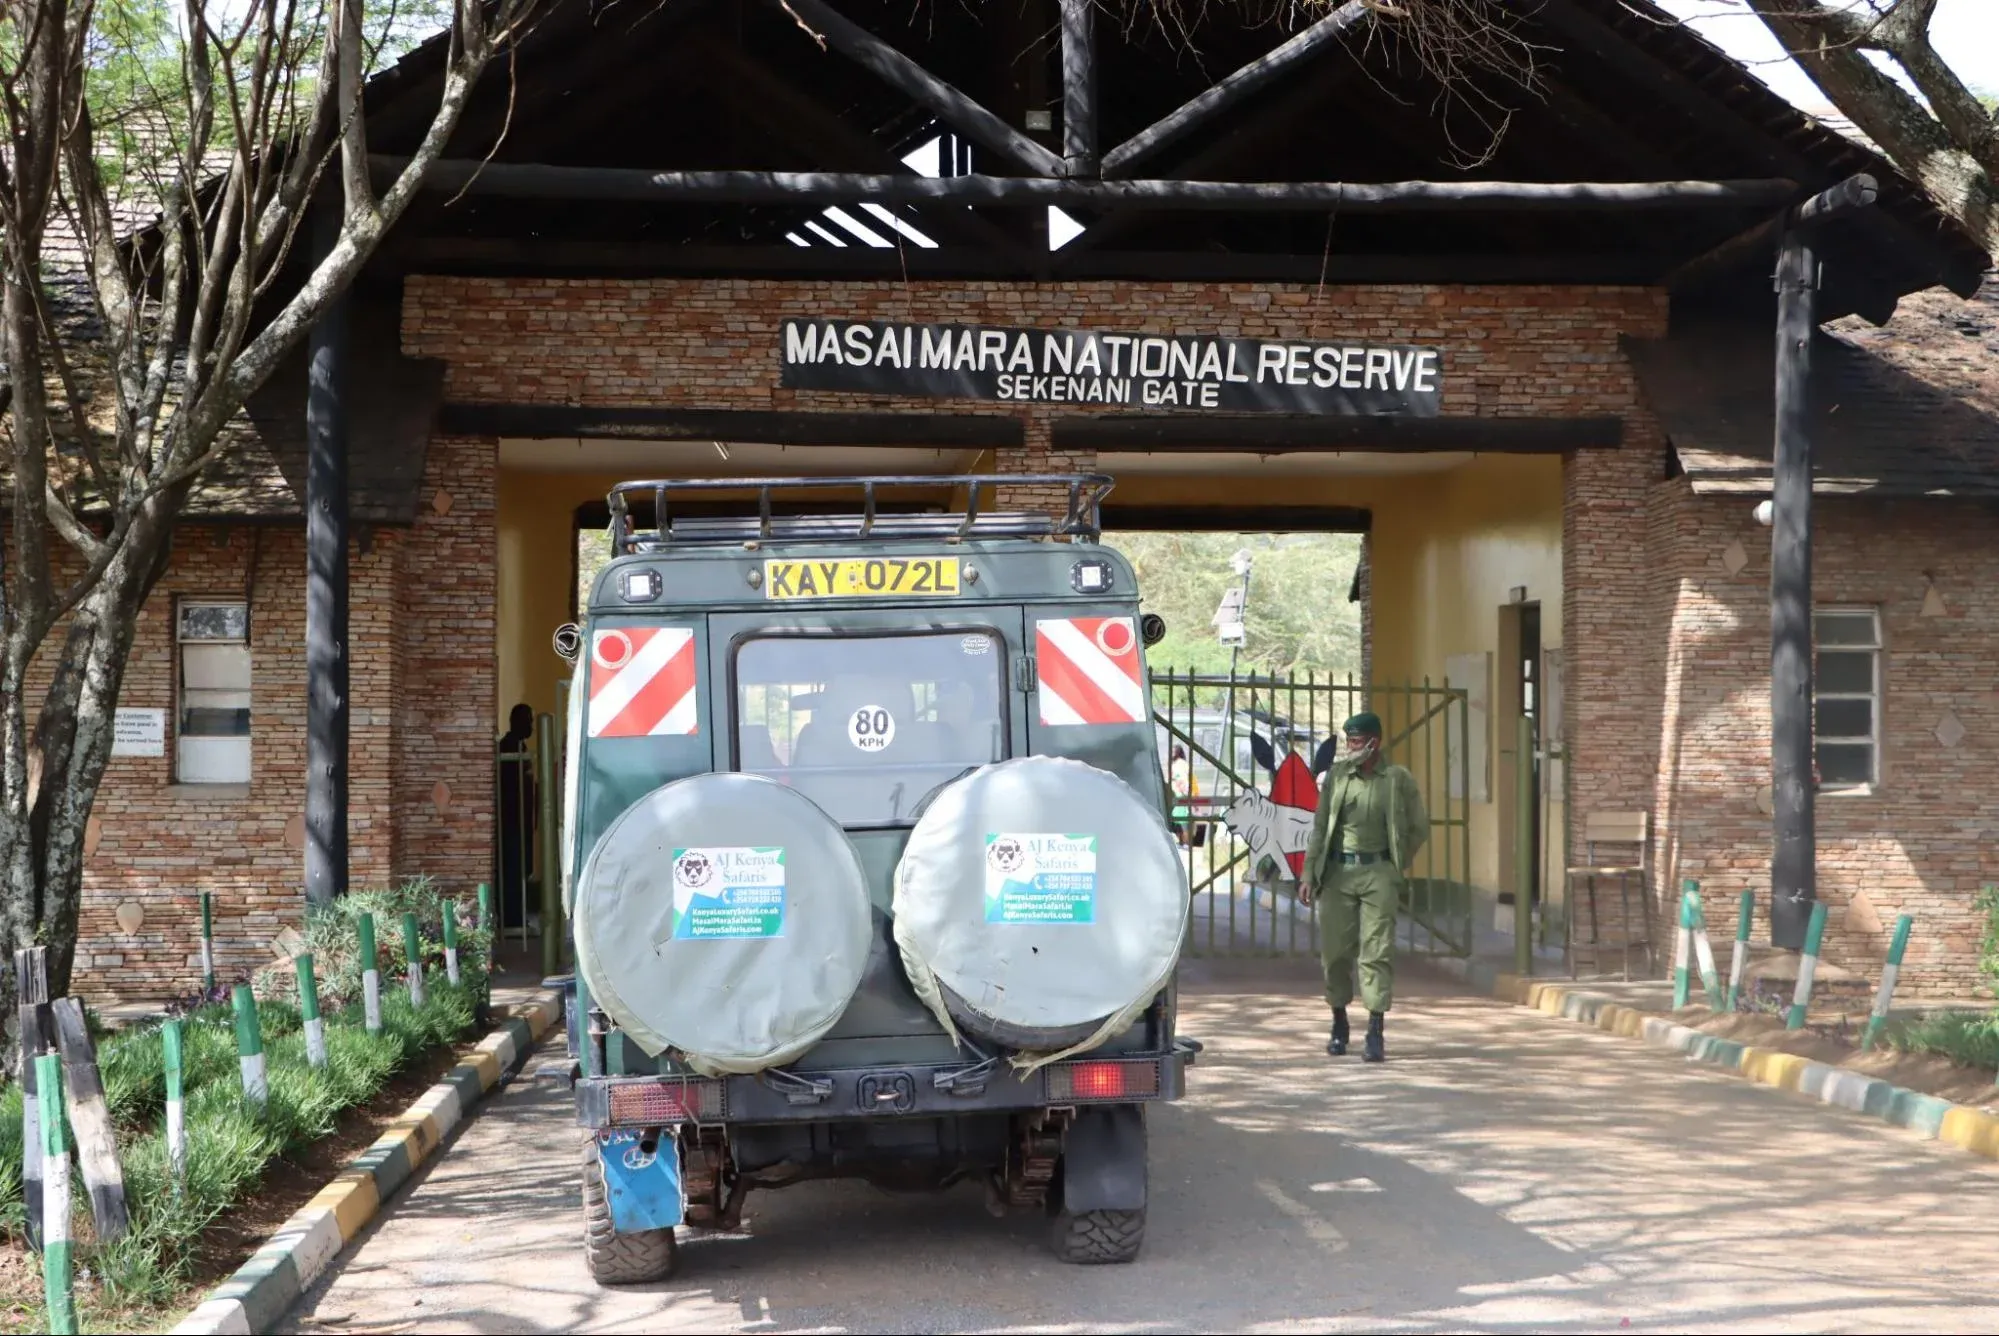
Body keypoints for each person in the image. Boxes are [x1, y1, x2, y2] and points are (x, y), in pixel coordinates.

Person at [1297, 712, 1427, 1063]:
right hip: (1339, 872)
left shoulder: (1396, 779)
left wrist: (1397, 862)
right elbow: (1321, 828)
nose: (1352, 747)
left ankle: (1375, 1029)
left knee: (1376, 952)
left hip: (1379, 872)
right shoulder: (1338, 777)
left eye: (1358, 741)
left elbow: (1419, 826)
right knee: (1336, 953)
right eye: (1349, 741)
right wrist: (1309, 874)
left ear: (1375, 742)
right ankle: (1339, 1022)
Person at [497, 703, 537, 931]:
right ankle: (511, 919)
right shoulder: (508, 746)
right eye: (529, 720)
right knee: (511, 871)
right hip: (510, 823)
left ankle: (517, 917)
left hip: (520, 822)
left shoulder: (520, 745)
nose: (531, 725)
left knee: (521, 869)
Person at [1168, 745, 1199, 847]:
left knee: (1180, 819)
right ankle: (1183, 842)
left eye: (1174, 752)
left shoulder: (1179, 765)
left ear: (1178, 753)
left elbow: (1181, 780)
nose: (1172, 754)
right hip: (1180, 795)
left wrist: (1184, 792)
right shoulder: (1181, 764)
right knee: (1180, 819)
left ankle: (1184, 842)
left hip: (1180, 795)